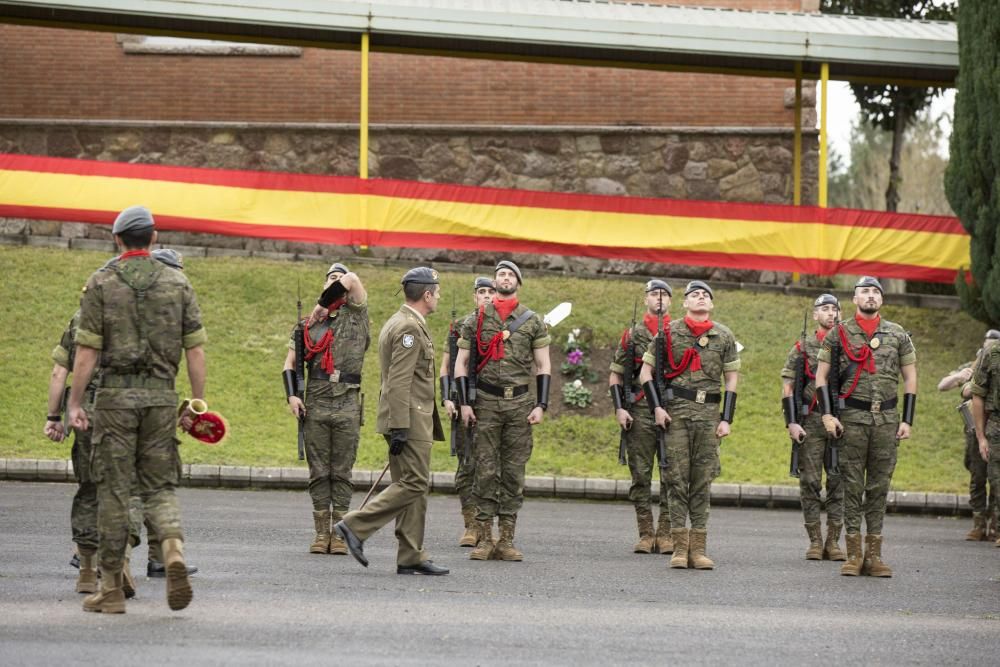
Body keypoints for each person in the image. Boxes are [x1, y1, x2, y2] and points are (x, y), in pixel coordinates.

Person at [68, 206, 207, 613]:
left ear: (117, 240)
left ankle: (110, 588)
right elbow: (195, 350)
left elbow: (86, 351)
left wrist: (76, 401)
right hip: (161, 399)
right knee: (159, 486)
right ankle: (172, 547)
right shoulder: (177, 282)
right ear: (154, 238)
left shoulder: (101, 282)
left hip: (113, 401)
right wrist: (197, 404)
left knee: (113, 492)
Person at [334, 267, 448, 575]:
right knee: (413, 483)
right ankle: (354, 526)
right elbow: (399, 382)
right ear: (426, 295)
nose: (438, 297)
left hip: (406, 418)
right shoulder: (409, 329)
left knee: (411, 486)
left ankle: (411, 555)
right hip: (409, 419)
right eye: (436, 292)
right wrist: (400, 426)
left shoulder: (401, 322)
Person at [815, 276, 916, 578]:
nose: (870, 296)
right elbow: (822, 377)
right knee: (851, 486)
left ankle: (875, 555)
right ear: (855, 298)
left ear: (881, 299)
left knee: (878, 488)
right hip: (852, 421)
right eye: (865, 291)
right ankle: (854, 554)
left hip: (886, 421)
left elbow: (910, 378)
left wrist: (907, 419)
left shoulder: (897, 335)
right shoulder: (839, 333)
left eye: (875, 292)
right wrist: (827, 415)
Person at [454, 260, 552, 562]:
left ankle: (507, 539)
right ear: (495, 282)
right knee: (484, 471)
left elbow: (543, 365)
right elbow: (461, 363)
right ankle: (484, 539)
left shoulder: (532, 321)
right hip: (485, 403)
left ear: (518, 283)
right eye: (500, 274)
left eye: (510, 274)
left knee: (512, 472)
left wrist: (541, 404)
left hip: (520, 405)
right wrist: (465, 402)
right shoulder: (476, 319)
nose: (505, 278)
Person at [639, 280, 740, 570]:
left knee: (702, 481)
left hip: (708, 414)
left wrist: (726, 418)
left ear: (711, 304)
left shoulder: (724, 336)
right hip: (676, 415)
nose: (700, 298)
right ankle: (679, 549)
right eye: (694, 295)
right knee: (676, 480)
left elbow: (731, 379)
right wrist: (656, 407)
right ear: (684, 303)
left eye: (705, 295)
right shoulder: (668, 333)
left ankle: (699, 549)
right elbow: (646, 374)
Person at [283, 262, 369, 555]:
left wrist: (324, 303)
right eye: (330, 279)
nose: (338, 282)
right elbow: (290, 365)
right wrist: (292, 396)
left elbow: (353, 278)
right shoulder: (307, 325)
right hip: (316, 403)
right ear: (323, 285)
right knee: (319, 471)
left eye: (339, 280)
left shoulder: (357, 316)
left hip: (347, 402)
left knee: (342, 471)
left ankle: (340, 533)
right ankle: (322, 534)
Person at [609, 279, 673, 555]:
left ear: (671, 301)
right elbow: (616, 375)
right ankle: (646, 533)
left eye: (664, 295)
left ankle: (667, 533)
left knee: (673, 475)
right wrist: (619, 408)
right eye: (654, 294)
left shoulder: (678, 332)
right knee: (641, 475)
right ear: (646, 299)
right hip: (639, 410)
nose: (659, 298)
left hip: (672, 411)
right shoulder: (632, 335)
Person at [780, 294, 845, 561]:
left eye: (835, 309)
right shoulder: (802, 347)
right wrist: (792, 422)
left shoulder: (849, 345)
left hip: (842, 420)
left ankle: (834, 541)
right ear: (815, 315)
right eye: (825, 309)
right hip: (811, 420)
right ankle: (815, 540)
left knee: (839, 480)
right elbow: (788, 387)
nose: (831, 314)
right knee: (810, 480)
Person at [440, 276, 496, 547]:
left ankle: (487, 525)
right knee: (467, 467)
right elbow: (446, 367)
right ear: (475, 297)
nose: (486, 296)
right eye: (481, 292)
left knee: (491, 468)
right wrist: (447, 399)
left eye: (490, 292)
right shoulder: (461, 326)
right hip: (463, 403)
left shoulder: (506, 328)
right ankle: (470, 524)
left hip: (493, 404)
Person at [938, 330, 1000, 541]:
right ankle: (978, 521)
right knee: (978, 475)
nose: (989, 348)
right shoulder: (974, 365)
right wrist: (960, 378)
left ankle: (995, 523)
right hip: (975, 428)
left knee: (996, 476)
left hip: (994, 425)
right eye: (986, 344)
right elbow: (943, 386)